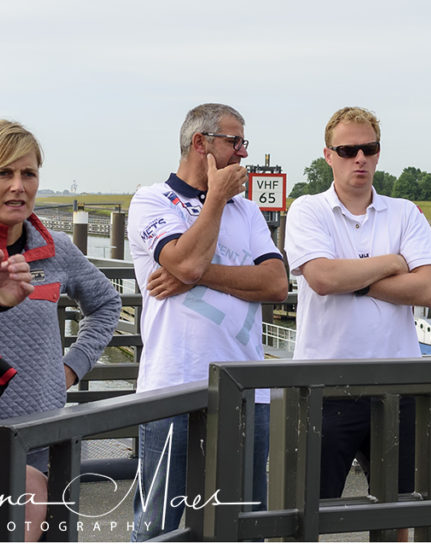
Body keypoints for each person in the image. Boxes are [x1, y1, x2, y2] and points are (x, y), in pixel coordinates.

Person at [0, 120, 121, 541]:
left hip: (46, 438)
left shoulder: (59, 250)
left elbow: (107, 304)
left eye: (28, 174)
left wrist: (70, 369)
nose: (18, 186)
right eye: (4, 173)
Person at [127, 104, 288, 541]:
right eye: (234, 142)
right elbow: (184, 259)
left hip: (243, 389)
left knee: (242, 523)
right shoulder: (152, 200)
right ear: (200, 143)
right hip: (171, 386)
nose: (243, 153)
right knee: (157, 526)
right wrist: (214, 199)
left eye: (243, 142)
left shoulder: (248, 212)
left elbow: (276, 283)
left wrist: (196, 275)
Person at [284, 106, 431, 542]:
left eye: (368, 148)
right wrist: (393, 264)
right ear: (328, 155)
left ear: (378, 152)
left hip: (399, 383)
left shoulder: (404, 212)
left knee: (397, 512)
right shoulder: (307, 210)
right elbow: (320, 277)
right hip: (325, 385)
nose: (359, 158)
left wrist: (353, 279)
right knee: (307, 514)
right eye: (348, 149)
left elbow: (427, 290)